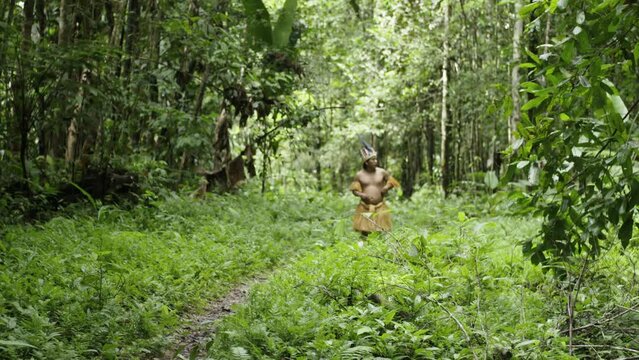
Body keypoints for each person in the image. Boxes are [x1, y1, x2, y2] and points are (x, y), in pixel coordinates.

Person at [349, 144, 400, 235]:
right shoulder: (359, 175)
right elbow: (354, 190)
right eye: (373, 159)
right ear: (366, 162)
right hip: (365, 206)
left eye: (376, 159)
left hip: (379, 206)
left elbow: (392, 182)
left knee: (381, 231)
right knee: (365, 232)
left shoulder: (382, 172)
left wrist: (386, 187)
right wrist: (362, 195)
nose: (375, 161)